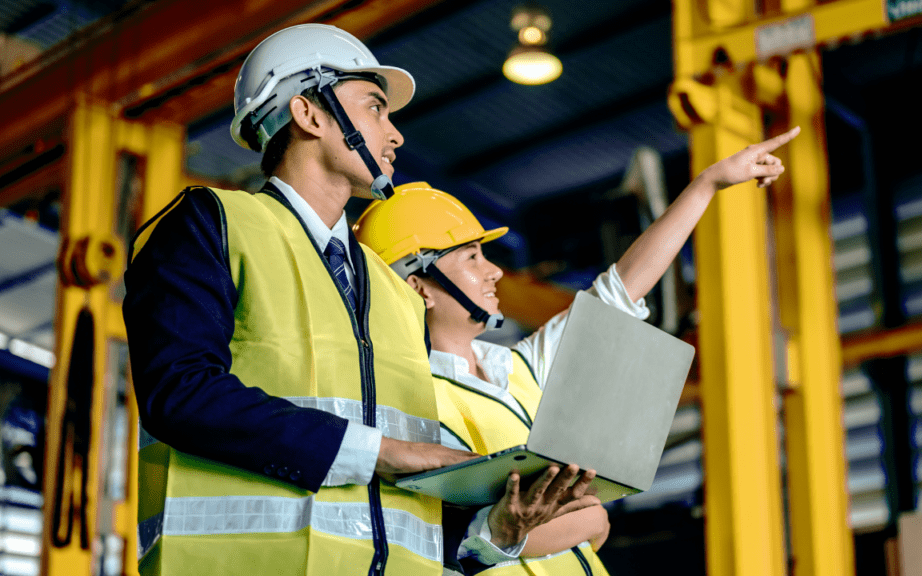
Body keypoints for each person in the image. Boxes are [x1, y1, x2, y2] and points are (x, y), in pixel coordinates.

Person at [123, 23, 596, 576]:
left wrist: (499, 529)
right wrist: (386, 452)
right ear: (309, 114)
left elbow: (408, 504)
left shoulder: (393, 291)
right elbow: (179, 392)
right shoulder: (211, 224)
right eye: (375, 107)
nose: (394, 136)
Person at [351, 126, 801, 575]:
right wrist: (574, 521)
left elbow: (620, 291)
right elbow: (446, 539)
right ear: (417, 286)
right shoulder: (400, 397)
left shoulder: (521, 366)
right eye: (471, 258)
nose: (493, 273)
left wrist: (708, 185)